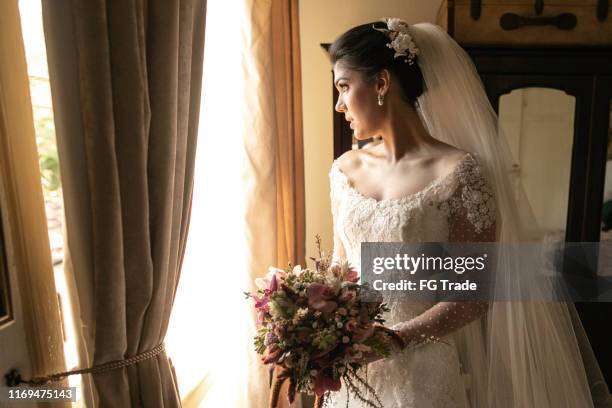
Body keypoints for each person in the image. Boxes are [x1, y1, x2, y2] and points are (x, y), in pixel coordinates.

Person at [327, 19, 610, 407]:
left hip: (420, 373)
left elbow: (473, 295)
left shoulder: (460, 173)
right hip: (351, 369)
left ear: (380, 84)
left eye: (344, 86)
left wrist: (392, 339)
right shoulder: (345, 170)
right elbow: (340, 270)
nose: (339, 104)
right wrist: (317, 333)